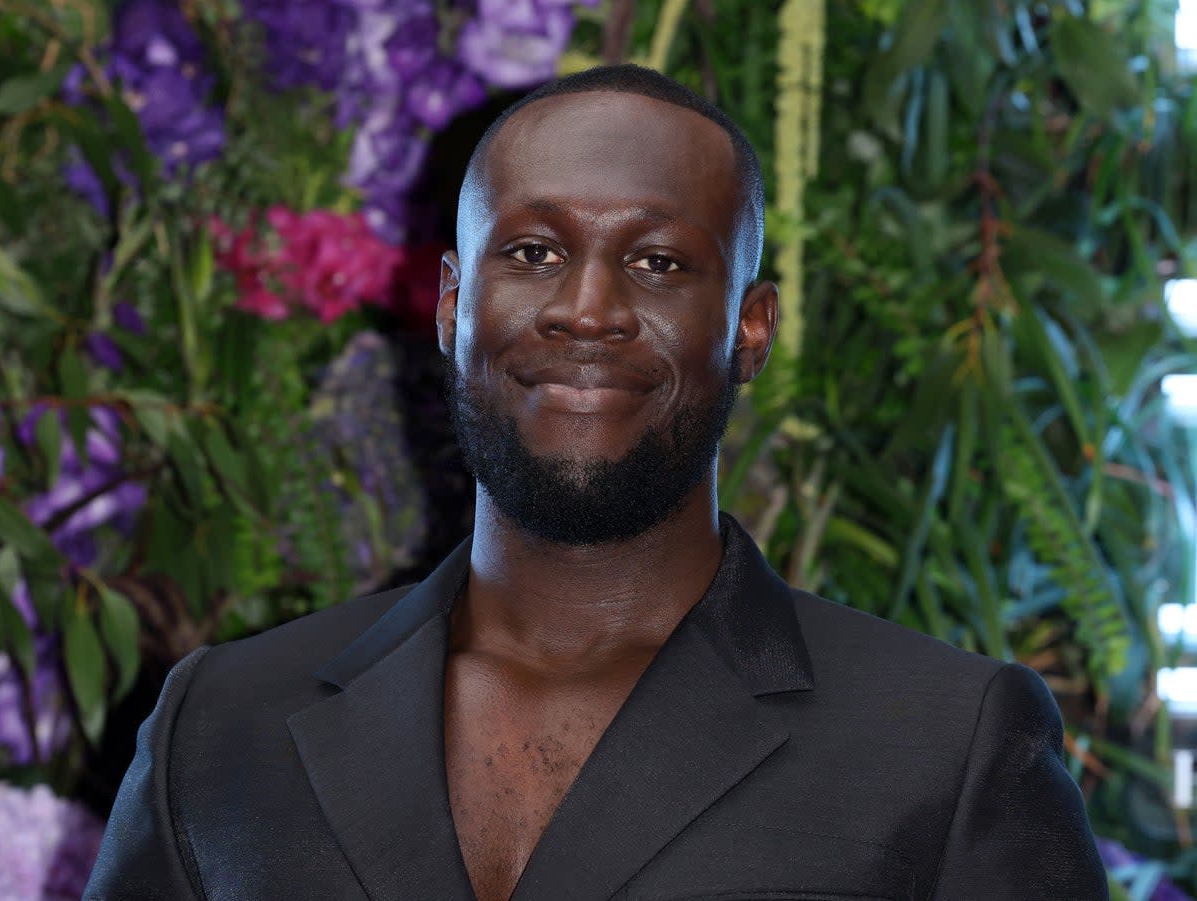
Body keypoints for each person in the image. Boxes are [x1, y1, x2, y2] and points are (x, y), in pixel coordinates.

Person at [85, 64, 1108, 901]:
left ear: (751, 327)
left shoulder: (946, 743)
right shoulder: (220, 726)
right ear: (451, 304)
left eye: (660, 264)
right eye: (533, 250)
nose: (587, 308)